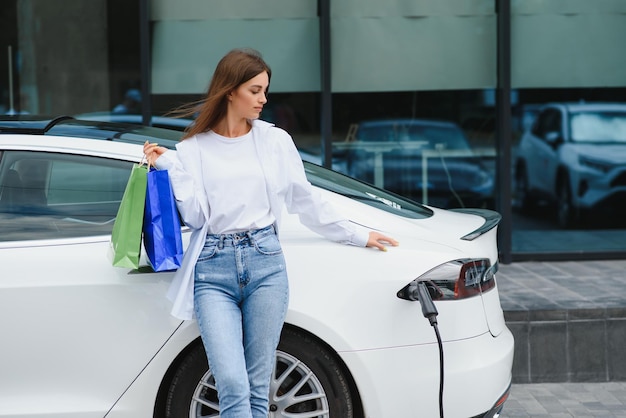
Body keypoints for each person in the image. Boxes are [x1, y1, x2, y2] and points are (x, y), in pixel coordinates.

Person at [143, 48, 398, 418]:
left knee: (259, 385)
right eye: (255, 90)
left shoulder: (274, 141)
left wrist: (357, 234)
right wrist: (170, 167)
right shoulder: (192, 150)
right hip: (213, 270)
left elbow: (304, 199)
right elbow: (197, 216)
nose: (264, 99)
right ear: (230, 91)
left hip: (265, 265)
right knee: (231, 382)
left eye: (265, 90)